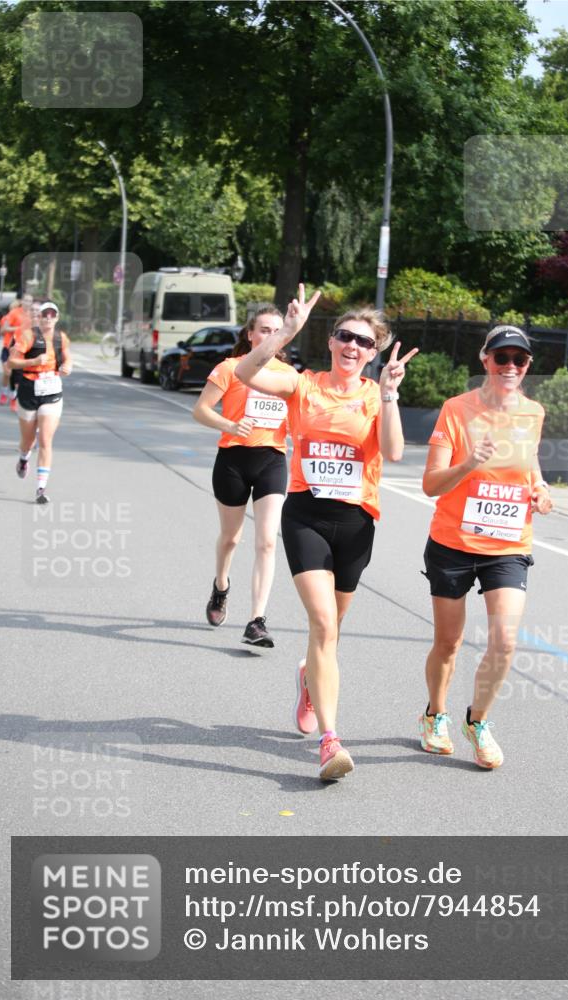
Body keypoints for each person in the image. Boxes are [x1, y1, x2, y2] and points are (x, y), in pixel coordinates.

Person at [236, 285, 418, 781]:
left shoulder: (375, 395)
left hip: (357, 523)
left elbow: (396, 452)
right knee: (323, 624)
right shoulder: (304, 384)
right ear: (332, 341)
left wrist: (391, 393)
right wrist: (285, 334)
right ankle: (331, 740)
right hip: (305, 516)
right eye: (344, 336)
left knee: (333, 632)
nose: (352, 346)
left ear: (373, 353)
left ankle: (308, 678)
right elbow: (244, 372)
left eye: (363, 342)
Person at [418, 325, 553, 769]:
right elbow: (430, 485)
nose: (510, 366)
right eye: (502, 358)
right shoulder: (457, 411)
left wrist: (542, 489)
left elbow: (529, 462)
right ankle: (435, 714)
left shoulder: (533, 413)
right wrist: (469, 463)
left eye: (520, 359)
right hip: (453, 542)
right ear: (485, 360)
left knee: (505, 639)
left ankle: (478, 721)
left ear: (528, 365)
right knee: (449, 642)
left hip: (508, 543)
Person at [192, 305, 292, 648]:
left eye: (277, 330)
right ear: (250, 334)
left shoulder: (288, 374)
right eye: (264, 329)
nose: (270, 336)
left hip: (272, 460)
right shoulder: (230, 368)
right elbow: (201, 410)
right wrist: (229, 425)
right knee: (231, 539)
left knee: (266, 541)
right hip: (233, 459)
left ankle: (257, 620)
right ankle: (221, 586)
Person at [8, 300, 72, 504]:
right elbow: (11, 362)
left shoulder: (61, 338)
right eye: (45, 314)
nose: (49, 318)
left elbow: (68, 359)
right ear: (40, 317)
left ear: (57, 318)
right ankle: (23, 458)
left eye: (53, 315)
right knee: (28, 441)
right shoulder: (29, 336)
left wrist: (67, 368)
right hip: (29, 389)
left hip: (52, 391)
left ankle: (41, 489)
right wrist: (33, 362)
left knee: (45, 439)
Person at [0, 294, 33, 410]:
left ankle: (13, 398)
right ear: (22, 301)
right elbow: (4, 330)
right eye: (26, 300)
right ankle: (4, 392)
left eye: (30, 301)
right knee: (7, 373)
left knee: (17, 375)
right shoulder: (14, 313)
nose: (28, 303)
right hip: (8, 346)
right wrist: (19, 328)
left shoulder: (33, 315)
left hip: (22, 349)